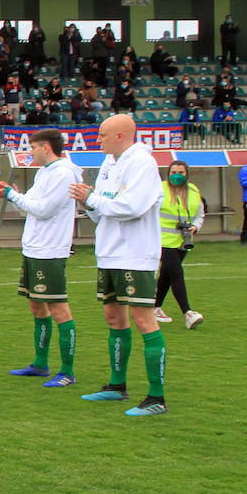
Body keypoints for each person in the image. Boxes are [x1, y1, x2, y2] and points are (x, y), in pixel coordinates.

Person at [68, 114, 169, 417]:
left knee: (143, 319)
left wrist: (93, 199)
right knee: (113, 317)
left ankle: (157, 397)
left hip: (136, 253)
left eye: (102, 135)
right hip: (109, 253)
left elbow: (133, 207)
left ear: (121, 135)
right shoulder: (108, 164)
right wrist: (88, 202)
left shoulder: (142, 163)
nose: (97, 140)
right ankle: (117, 385)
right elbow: (102, 211)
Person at [0, 129, 83, 385]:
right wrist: (13, 194)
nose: (30, 152)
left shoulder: (64, 173)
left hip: (50, 250)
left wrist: (12, 195)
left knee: (58, 309)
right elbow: (29, 205)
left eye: (33, 147)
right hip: (34, 248)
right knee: (36, 306)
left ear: (46, 147)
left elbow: (43, 210)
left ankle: (67, 372)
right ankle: (40, 364)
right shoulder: (44, 172)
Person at [153, 161, 205, 330]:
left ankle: (155, 307)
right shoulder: (159, 189)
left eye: (180, 172)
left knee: (167, 275)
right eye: (173, 172)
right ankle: (187, 312)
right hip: (163, 240)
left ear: (186, 173)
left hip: (183, 241)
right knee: (176, 273)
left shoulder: (193, 191)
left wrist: (195, 226)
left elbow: (200, 214)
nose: (177, 175)